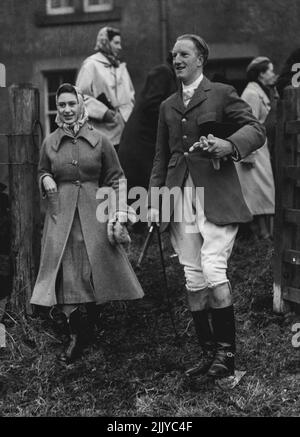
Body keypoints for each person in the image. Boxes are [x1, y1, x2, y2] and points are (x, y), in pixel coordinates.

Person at [147, 34, 266, 379]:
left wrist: (228, 144)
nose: (177, 59)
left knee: (214, 270)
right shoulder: (167, 105)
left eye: (184, 54)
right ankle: (207, 354)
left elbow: (256, 129)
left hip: (216, 194)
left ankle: (227, 357)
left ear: (201, 58)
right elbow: (161, 155)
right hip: (178, 196)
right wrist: (156, 201)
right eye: (173, 55)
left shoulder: (223, 93)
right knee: (193, 276)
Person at [30, 83, 144, 363]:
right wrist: (45, 179)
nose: (67, 110)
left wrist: (117, 212)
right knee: (67, 270)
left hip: (95, 212)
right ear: (58, 109)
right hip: (62, 215)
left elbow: (116, 177)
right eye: (62, 105)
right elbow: (43, 169)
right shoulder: (50, 142)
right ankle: (76, 334)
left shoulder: (101, 140)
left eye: (72, 104)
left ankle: (92, 317)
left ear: (81, 105)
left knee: (95, 266)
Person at [118, 54, 177, 192]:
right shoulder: (163, 73)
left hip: (145, 147)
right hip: (141, 148)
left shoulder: (171, 76)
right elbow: (151, 106)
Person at [235, 57, 276, 239]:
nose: (272, 74)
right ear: (261, 74)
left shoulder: (260, 91)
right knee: (257, 192)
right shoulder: (251, 93)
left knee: (263, 190)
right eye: (269, 71)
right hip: (253, 150)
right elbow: (247, 125)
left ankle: (265, 234)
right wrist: (248, 154)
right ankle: (261, 234)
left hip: (260, 147)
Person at [76, 26, 135, 151]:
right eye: (116, 43)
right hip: (102, 131)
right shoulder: (91, 65)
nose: (120, 47)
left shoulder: (120, 67)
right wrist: (104, 113)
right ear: (105, 42)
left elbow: (131, 96)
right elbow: (79, 96)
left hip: (125, 132)